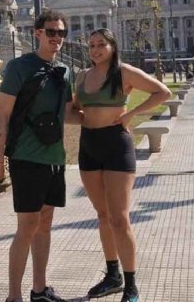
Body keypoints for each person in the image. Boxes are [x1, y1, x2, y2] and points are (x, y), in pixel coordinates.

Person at [71, 29, 170, 302]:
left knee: (119, 217)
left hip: (117, 145)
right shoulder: (82, 76)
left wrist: (130, 115)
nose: (95, 49)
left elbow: (162, 92)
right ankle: (112, 275)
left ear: (113, 46)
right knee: (102, 215)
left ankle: (131, 284)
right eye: (91, 45)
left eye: (101, 44)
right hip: (89, 146)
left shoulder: (124, 72)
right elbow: (76, 109)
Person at [0, 10, 74, 302]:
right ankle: (14, 296)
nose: (57, 38)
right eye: (51, 32)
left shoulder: (64, 71)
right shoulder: (19, 67)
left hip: (55, 158)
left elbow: (70, 113)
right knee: (27, 226)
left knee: (45, 223)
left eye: (61, 33)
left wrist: (112, 117)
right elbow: (2, 117)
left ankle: (39, 289)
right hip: (26, 157)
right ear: (37, 33)